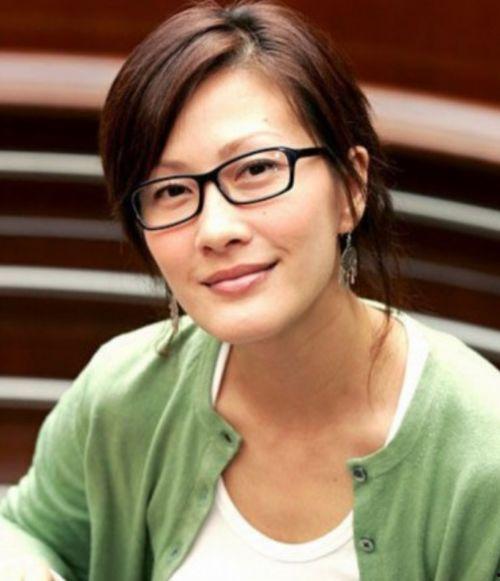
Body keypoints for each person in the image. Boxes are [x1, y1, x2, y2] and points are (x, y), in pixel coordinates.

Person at [1, 1, 499, 580]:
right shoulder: (124, 395)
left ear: (351, 187)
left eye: (257, 169)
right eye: (170, 191)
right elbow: (27, 529)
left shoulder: (482, 452)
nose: (216, 230)